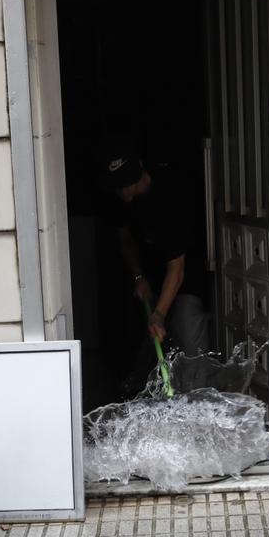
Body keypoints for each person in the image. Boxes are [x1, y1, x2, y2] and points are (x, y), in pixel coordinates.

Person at [99, 137, 208, 384]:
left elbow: (177, 269)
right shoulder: (122, 200)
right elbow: (124, 236)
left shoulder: (168, 199)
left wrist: (159, 313)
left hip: (185, 282)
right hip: (155, 280)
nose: (120, 190)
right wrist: (138, 276)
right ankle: (152, 397)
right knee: (155, 344)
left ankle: (197, 402)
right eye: (116, 185)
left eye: (124, 184)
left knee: (190, 344)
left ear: (137, 174)